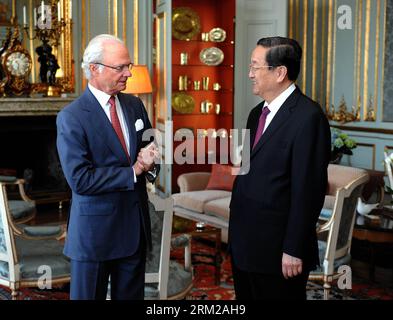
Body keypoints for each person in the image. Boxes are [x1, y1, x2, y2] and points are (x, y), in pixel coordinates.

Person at [56, 34, 159, 300]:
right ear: (94, 69)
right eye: (120, 67)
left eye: (129, 66)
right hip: (94, 237)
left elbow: (150, 152)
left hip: (134, 231)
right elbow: (80, 180)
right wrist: (134, 171)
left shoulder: (135, 105)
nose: (128, 73)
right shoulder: (72, 117)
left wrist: (150, 163)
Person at [228, 36, 331, 300]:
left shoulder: (309, 117)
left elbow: (308, 190)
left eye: (255, 67)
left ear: (280, 73)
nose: (249, 74)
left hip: (279, 251)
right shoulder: (255, 114)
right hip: (244, 244)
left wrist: (294, 248)